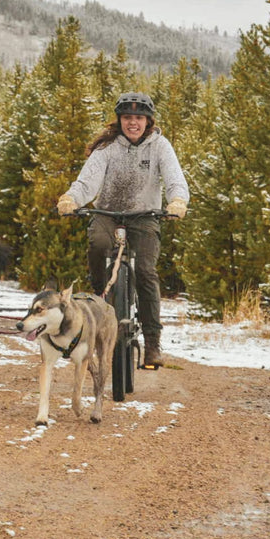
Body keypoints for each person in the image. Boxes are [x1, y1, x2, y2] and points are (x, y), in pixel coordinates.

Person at [56, 92, 189, 369]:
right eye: (127, 117)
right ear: (119, 120)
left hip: (145, 215)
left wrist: (177, 201)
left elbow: (175, 178)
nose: (133, 123)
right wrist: (71, 199)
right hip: (108, 213)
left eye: (138, 118)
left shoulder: (160, 146)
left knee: (145, 271)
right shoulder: (107, 148)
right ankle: (100, 300)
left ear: (148, 121)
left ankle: (152, 341)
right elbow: (86, 182)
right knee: (98, 246)